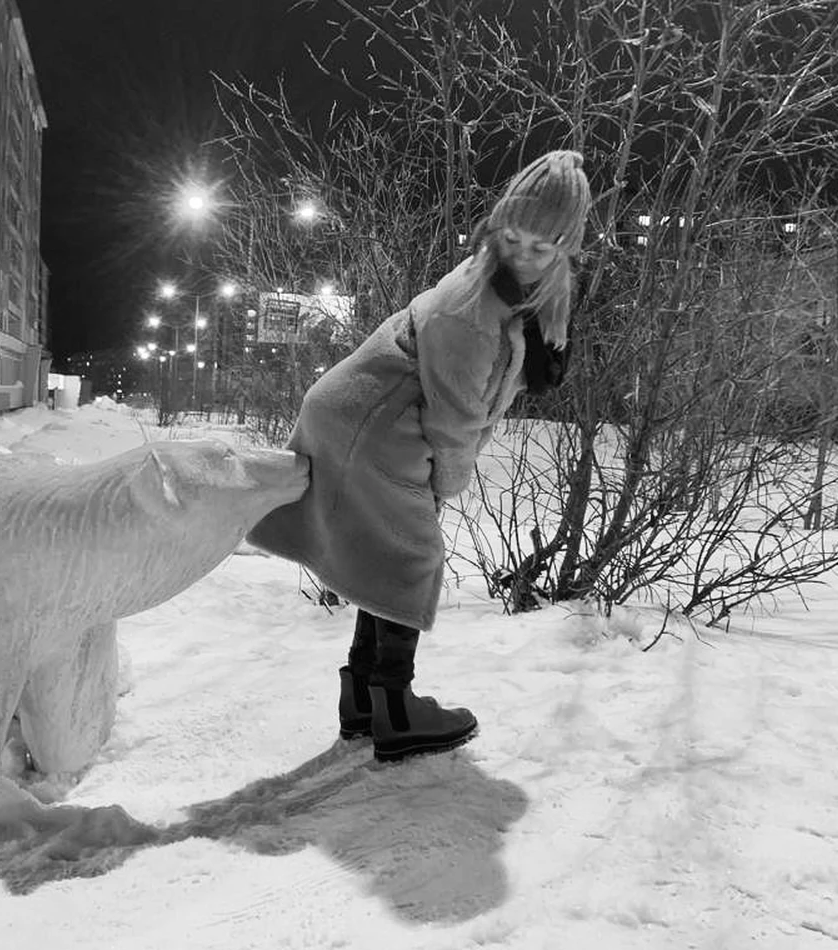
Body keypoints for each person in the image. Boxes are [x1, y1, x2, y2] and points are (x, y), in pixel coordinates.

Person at [247, 149, 592, 763]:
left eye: (542, 248)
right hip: (376, 424)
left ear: (565, 248)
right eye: (512, 237)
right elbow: (454, 418)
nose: (522, 254)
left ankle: (364, 699)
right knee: (410, 557)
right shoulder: (473, 310)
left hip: (359, 413)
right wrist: (446, 483)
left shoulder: (515, 290)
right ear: (497, 225)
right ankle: (396, 710)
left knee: (382, 556)